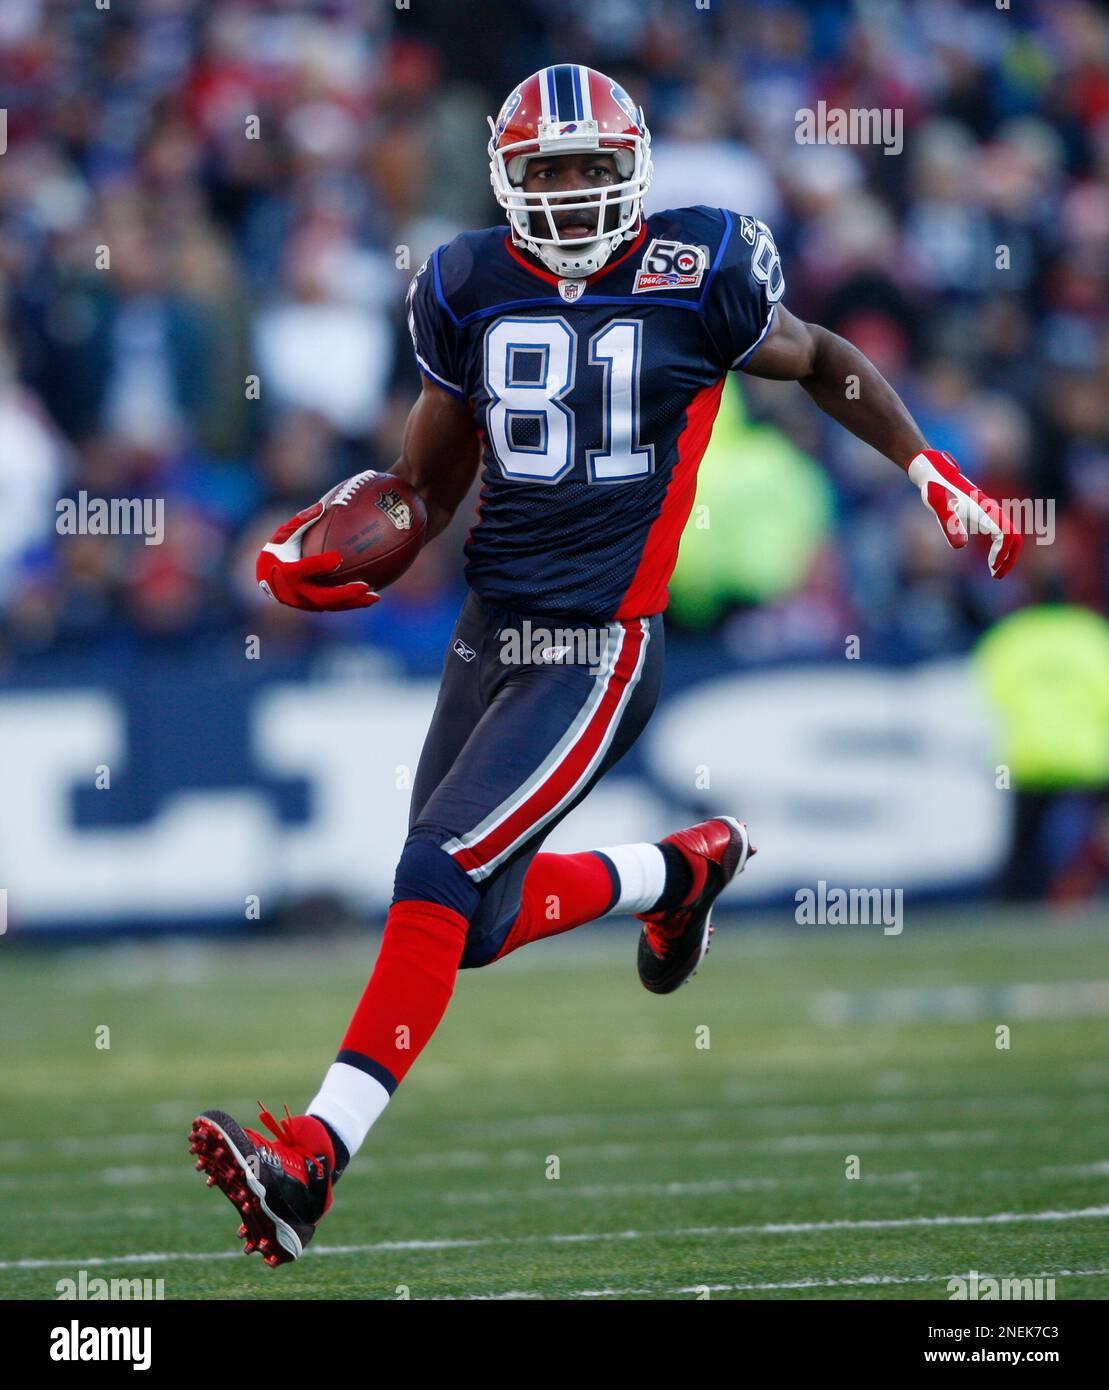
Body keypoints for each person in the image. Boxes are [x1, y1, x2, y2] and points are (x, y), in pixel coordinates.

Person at [190, 65, 1023, 1267]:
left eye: (591, 167)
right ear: (505, 180)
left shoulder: (702, 269)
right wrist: (339, 543)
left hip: (596, 642)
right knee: (462, 921)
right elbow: (425, 483)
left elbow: (819, 353)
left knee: (434, 868)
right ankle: (678, 871)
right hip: (491, 627)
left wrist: (923, 465)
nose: (573, 192)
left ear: (631, 166)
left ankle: (311, 1162)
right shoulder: (463, 282)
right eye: (547, 171)